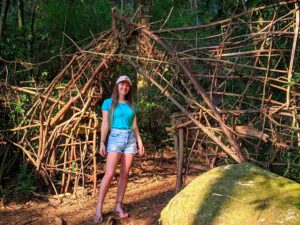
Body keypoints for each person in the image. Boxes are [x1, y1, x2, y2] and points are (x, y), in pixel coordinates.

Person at [94, 75, 145, 223]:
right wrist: (102, 142)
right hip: (115, 137)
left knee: (124, 174)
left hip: (130, 139)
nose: (124, 87)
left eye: (127, 85)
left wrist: (139, 142)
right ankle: (98, 208)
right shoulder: (108, 103)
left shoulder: (132, 104)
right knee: (109, 174)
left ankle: (118, 206)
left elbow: (134, 125)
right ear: (117, 86)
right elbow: (104, 123)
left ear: (129, 88)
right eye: (122, 84)